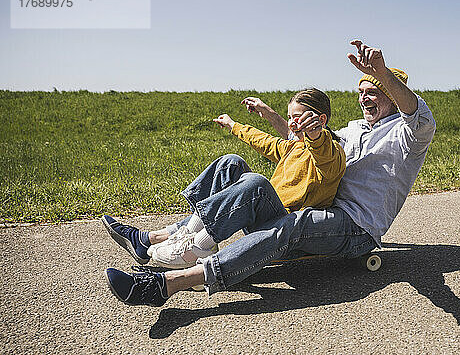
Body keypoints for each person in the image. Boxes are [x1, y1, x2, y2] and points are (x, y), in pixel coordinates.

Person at [103, 39, 436, 306]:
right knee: (234, 166)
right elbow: (296, 144)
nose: (364, 96)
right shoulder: (352, 130)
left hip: (355, 228)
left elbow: (415, 113)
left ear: (392, 94)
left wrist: (381, 71)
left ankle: (168, 284)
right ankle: (157, 240)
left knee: (292, 219)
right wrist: (272, 117)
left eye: (374, 90)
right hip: (321, 211)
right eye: (362, 90)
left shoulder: (409, 135)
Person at [102, 87, 345, 270]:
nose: (292, 124)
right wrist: (233, 125)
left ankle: (194, 247)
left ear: (320, 120)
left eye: (299, 117)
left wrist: (316, 136)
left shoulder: (332, 153)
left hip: (284, 228)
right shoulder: (295, 147)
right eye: (290, 117)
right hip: (263, 218)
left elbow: (323, 155)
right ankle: (192, 240)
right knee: (231, 162)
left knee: (257, 184)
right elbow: (263, 140)